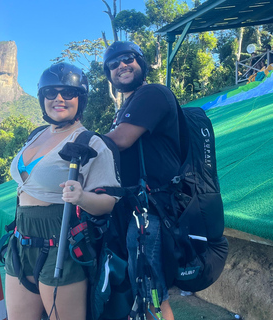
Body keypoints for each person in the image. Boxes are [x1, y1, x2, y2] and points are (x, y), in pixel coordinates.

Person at [4, 62, 120, 320]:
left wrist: (82, 197)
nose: (58, 98)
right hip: (21, 237)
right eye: (50, 92)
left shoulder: (90, 142)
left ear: (81, 98)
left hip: (61, 239)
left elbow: (109, 202)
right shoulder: (36, 135)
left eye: (68, 93)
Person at [104, 41, 178, 320]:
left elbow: (120, 141)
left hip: (154, 209)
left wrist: (78, 139)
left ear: (141, 62)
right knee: (142, 287)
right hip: (137, 208)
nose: (121, 65)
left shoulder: (152, 93)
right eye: (113, 64)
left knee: (151, 292)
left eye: (127, 59)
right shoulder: (125, 108)